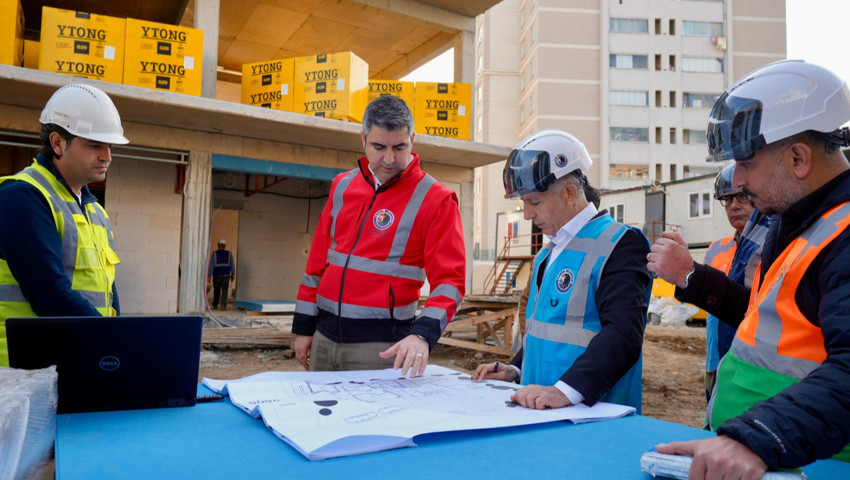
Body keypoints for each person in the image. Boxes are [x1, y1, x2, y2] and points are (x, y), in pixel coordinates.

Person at [649, 60, 850, 478]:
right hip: (770, 454)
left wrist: (757, 438)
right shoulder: (798, 220)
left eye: (746, 163)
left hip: (812, 463)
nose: (736, 180)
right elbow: (766, 322)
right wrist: (693, 277)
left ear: (798, 158)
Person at [471, 129, 652, 412]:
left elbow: (623, 335)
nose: (528, 215)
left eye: (535, 202)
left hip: (592, 417)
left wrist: (566, 390)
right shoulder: (549, 252)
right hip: (542, 410)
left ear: (568, 193)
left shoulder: (620, 244)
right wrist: (516, 370)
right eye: (524, 204)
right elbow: (547, 332)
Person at [291, 95, 465, 378]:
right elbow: (317, 266)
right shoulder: (342, 186)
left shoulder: (436, 199)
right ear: (362, 139)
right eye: (378, 147)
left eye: (400, 147)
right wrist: (303, 328)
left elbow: (450, 282)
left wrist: (422, 335)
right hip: (323, 340)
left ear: (413, 139)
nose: (389, 159)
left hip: (381, 349)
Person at [0, 83, 128, 366]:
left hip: (73, 358)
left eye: (109, 146)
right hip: (20, 374)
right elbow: (49, 294)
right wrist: (115, 340)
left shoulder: (92, 207)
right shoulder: (23, 197)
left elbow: (107, 291)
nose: (107, 156)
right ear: (57, 143)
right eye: (95, 145)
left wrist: (114, 339)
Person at [207, 239, 235, 310]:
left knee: (216, 290)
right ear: (224, 246)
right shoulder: (229, 254)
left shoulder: (214, 254)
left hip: (217, 275)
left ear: (218, 245)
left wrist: (209, 276)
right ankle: (223, 305)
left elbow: (211, 265)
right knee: (225, 290)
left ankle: (215, 305)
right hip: (226, 275)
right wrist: (233, 274)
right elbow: (232, 265)